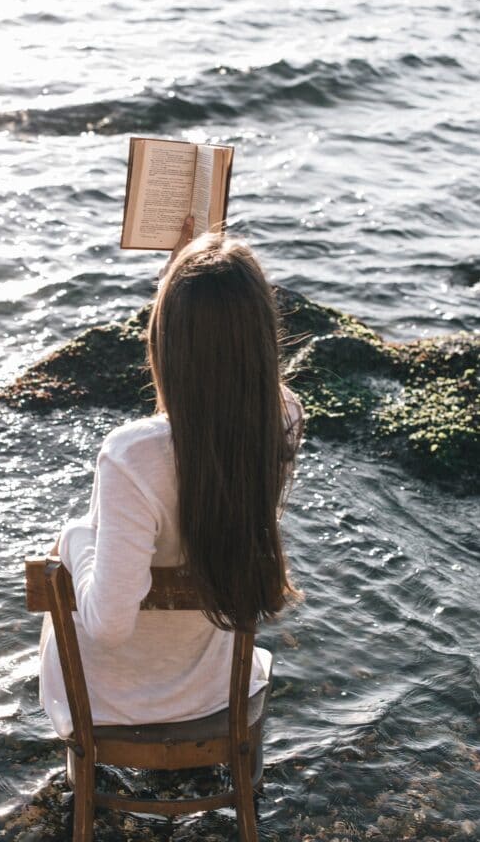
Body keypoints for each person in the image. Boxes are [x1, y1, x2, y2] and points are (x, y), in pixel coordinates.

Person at [39, 223, 303, 740]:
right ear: (262, 336)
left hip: (110, 708)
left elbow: (109, 626)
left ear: (165, 341)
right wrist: (190, 274)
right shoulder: (281, 419)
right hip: (217, 694)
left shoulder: (132, 456)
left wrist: (75, 540)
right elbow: (221, 392)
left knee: (79, 553)